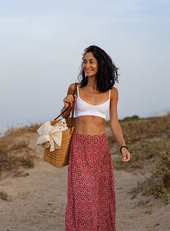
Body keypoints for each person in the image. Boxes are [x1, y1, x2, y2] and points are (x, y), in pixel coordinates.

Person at [61, 45, 131, 231]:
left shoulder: (112, 92)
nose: (87, 65)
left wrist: (123, 146)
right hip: (79, 146)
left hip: (100, 148)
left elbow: (114, 123)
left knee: (100, 198)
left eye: (91, 61)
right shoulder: (74, 88)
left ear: (100, 64)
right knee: (82, 197)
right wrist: (67, 103)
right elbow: (66, 116)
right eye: (85, 61)